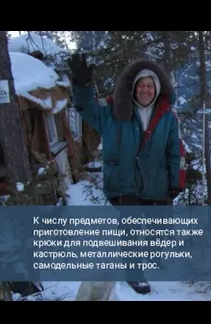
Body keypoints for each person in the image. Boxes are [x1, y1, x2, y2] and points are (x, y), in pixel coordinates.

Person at [67, 53, 186, 295]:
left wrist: (177, 180)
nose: (145, 90)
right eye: (141, 85)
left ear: (157, 89)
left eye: (150, 86)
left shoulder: (167, 117)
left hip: (156, 180)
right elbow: (85, 107)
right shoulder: (112, 113)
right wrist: (82, 86)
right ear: (133, 88)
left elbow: (176, 151)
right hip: (125, 182)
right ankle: (134, 273)